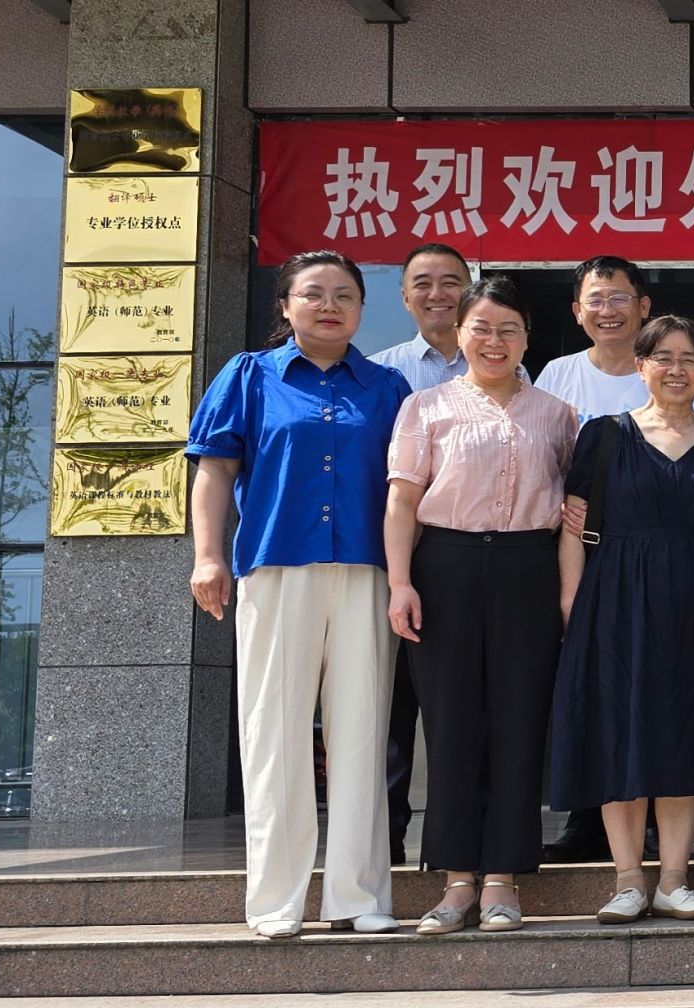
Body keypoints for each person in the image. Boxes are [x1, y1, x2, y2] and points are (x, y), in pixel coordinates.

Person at [186, 249, 410, 939]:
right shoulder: (249, 376)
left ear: (362, 309)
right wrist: (207, 556)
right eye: (313, 293)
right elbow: (215, 470)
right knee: (274, 732)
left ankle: (358, 897)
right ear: (284, 306)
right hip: (276, 567)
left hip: (367, 571)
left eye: (345, 294)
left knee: (361, 733)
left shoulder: (387, 387)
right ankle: (275, 901)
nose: (329, 305)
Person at [384, 277, 577, 934]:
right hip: (446, 566)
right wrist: (401, 582)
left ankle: (503, 879)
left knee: (521, 723)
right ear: (460, 332)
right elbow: (402, 501)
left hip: (529, 567)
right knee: (450, 726)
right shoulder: (424, 406)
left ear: (527, 338)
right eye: (482, 328)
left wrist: (566, 592)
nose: (495, 342)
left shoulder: (556, 413)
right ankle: (457, 879)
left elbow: (572, 513)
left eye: (509, 330)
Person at [548, 315, 694, 923]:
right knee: (617, 731)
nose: (677, 369)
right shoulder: (602, 435)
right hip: (612, 595)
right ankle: (627, 879)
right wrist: (572, 604)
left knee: (679, 733)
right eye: (663, 358)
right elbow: (574, 526)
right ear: (641, 366)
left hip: (690, 601)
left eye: (690, 358)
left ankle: (674, 879)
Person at [370, 241, 472, 868]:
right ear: (404, 296)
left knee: (460, 707)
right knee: (391, 706)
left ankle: (453, 845)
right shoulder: (379, 374)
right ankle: (383, 843)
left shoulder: (509, 369)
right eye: (424, 283)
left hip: (471, 559)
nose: (439, 294)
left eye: (451, 281)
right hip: (398, 557)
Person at [536, 254, 694, 425]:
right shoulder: (557, 373)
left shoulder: (673, 375)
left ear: (643, 306)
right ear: (578, 312)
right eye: (595, 301)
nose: (607, 311)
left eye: (619, 299)